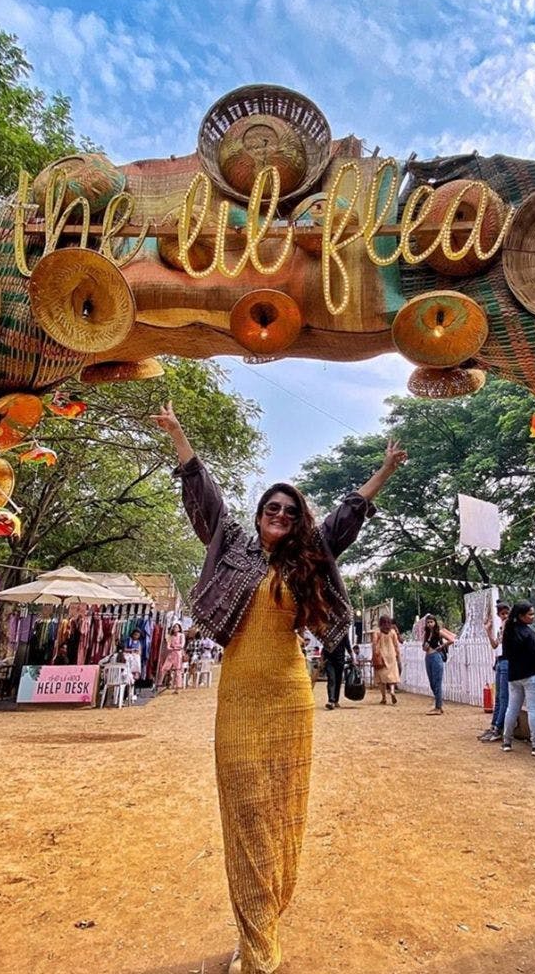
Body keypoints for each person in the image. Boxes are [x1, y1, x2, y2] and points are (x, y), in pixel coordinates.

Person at [153, 401, 405, 974]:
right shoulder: (234, 546)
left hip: (291, 700)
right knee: (244, 813)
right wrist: (177, 433)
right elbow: (205, 499)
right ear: (260, 512)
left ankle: (261, 933)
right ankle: (255, 937)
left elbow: (346, 517)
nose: (280, 515)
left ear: (298, 519)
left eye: (290, 510)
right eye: (273, 507)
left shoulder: (307, 559)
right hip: (237, 700)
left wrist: (384, 470)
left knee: (281, 814)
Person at [500, 602, 535, 756]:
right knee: (533, 710)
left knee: (512, 709)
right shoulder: (530, 633)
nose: (533, 617)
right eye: (530, 614)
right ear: (521, 616)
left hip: (514, 676)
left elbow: (506, 655)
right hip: (531, 675)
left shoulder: (508, 632)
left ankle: (506, 741)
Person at [479, 602, 511, 741]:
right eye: (502, 614)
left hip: (506, 660)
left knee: (503, 697)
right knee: (498, 697)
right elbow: (495, 645)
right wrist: (488, 631)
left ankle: (499, 728)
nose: (504, 616)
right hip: (499, 660)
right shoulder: (501, 627)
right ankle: (494, 726)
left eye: (506, 613)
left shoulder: (510, 627)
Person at [421, 613, 455, 715]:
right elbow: (424, 647)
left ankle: (438, 707)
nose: (429, 624)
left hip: (436, 656)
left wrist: (442, 646)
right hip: (428, 657)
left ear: (435, 623)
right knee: (432, 683)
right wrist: (426, 645)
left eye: (431, 622)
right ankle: (438, 703)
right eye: (428, 622)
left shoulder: (439, 632)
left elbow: (451, 640)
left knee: (437, 682)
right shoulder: (426, 635)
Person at [321, 628, 356, 710]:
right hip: (328, 660)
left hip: (340, 661)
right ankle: (331, 700)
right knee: (331, 679)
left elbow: (348, 646)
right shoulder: (327, 632)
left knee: (338, 680)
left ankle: (336, 700)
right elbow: (324, 647)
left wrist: (353, 658)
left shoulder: (343, 633)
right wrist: (322, 660)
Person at [371, 614, 402, 705]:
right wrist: (398, 655)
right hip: (391, 655)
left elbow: (374, 644)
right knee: (392, 675)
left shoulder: (377, 632)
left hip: (381, 656)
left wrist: (374, 654)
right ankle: (392, 690)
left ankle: (384, 697)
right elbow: (396, 645)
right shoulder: (392, 632)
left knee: (381, 678)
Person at [158, 622, 186, 693]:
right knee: (163, 669)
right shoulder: (170, 637)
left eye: (176, 627)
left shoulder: (181, 635)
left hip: (178, 654)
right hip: (171, 654)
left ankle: (177, 688)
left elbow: (182, 645)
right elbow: (168, 646)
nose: (175, 628)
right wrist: (174, 647)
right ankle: (159, 685)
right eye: (174, 627)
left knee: (177, 671)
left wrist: (174, 647)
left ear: (179, 628)